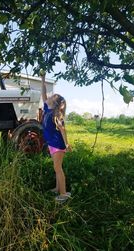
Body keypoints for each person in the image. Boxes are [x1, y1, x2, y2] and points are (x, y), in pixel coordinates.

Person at [41, 73, 72, 203]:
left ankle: (64, 194)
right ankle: (57, 188)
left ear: (55, 104)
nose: (48, 98)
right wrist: (42, 80)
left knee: (58, 168)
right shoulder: (48, 110)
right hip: (52, 143)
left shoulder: (56, 115)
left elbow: (63, 130)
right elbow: (43, 94)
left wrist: (67, 144)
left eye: (52, 98)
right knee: (56, 167)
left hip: (58, 145)